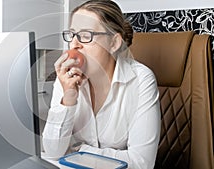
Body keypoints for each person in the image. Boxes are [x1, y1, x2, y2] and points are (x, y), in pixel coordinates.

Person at [42, 0, 161, 168]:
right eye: (72, 34)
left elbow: (141, 163)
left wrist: (78, 151)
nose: (74, 44)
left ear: (114, 43)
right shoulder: (66, 78)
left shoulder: (141, 80)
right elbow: (53, 152)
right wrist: (68, 99)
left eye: (86, 35)